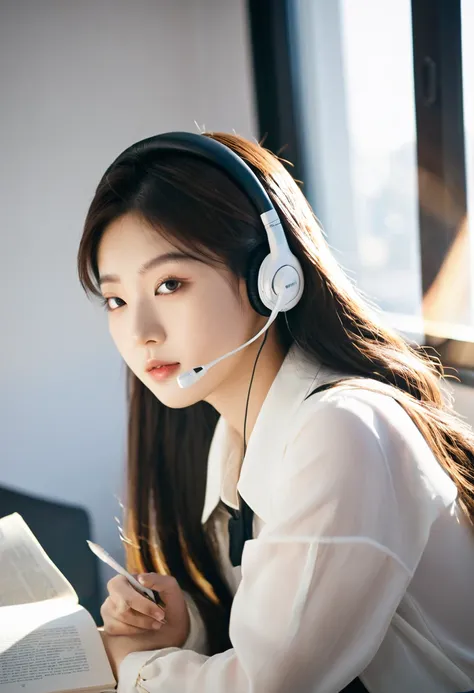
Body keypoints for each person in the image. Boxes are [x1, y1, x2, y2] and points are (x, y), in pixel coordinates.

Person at [77, 131, 474, 693]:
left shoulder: (344, 430)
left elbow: (270, 686)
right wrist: (180, 630)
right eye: (117, 300)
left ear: (273, 280)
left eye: (170, 284)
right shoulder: (231, 440)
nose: (140, 332)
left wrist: (129, 667)